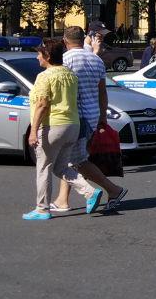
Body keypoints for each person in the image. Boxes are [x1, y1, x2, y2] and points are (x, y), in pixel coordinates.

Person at [23, 41, 102, 221]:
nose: (37, 57)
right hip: (72, 126)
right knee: (61, 167)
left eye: (39, 54)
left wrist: (33, 131)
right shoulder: (70, 75)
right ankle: (90, 192)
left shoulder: (45, 76)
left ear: (48, 56)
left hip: (52, 126)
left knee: (43, 168)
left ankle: (42, 209)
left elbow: (43, 104)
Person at [53, 26, 127, 212]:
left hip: (76, 117)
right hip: (93, 115)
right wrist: (102, 117)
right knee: (72, 159)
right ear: (82, 39)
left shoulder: (65, 60)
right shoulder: (96, 60)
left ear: (65, 40)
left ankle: (113, 190)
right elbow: (102, 92)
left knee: (75, 160)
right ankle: (62, 200)